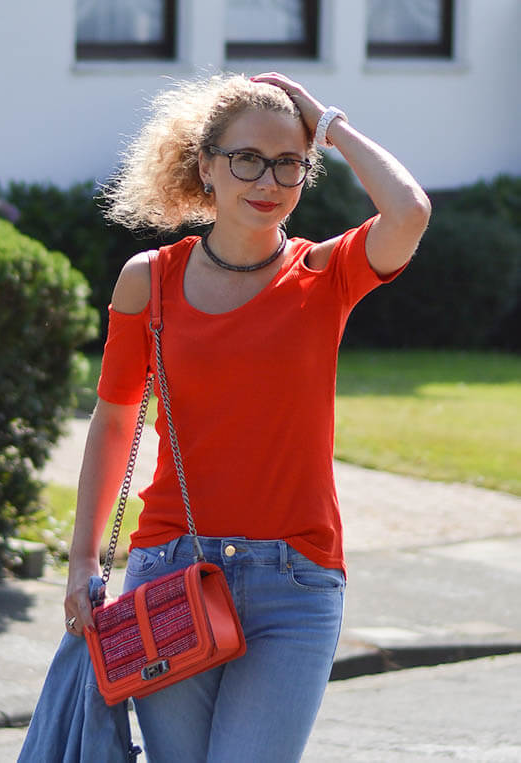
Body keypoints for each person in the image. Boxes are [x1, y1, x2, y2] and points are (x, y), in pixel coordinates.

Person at [63, 72, 430, 762]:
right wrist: (85, 557)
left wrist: (332, 127)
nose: (268, 179)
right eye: (247, 159)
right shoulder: (150, 281)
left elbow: (408, 212)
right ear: (206, 165)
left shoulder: (326, 273)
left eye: (289, 162)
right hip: (170, 570)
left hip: (295, 585)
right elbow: (116, 421)